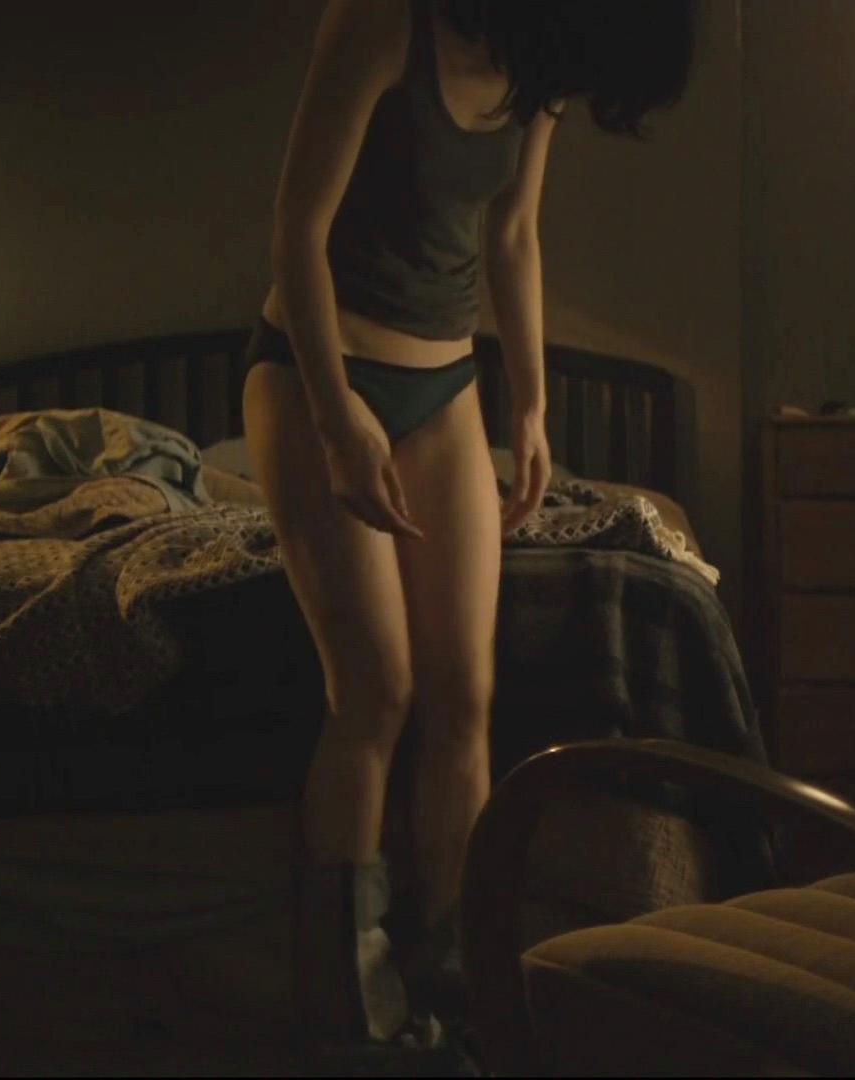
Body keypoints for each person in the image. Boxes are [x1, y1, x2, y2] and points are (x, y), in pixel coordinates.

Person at [239, 0, 697, 1057]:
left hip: (444, 388)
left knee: (466, 697)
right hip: (318, 372)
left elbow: (513, 235)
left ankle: (450, 996)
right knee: (376, 690)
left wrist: (530, 406)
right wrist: (335, 417)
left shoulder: (538, 75)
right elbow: (298, 233)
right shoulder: (380, 24)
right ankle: (350, 1021)